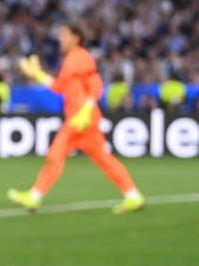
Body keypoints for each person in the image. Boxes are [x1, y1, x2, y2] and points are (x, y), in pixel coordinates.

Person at [8, 25, 146, 214]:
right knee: (103, 158)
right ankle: (133, 195)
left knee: (56, 154)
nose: (60, 39)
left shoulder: (80, 57)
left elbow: (95, 84)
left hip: (81, 118)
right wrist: (38, 74)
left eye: (64, 35)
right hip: (82, 118)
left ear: (76, 37)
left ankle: (35, 196)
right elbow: (59, 87)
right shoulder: (71, 60)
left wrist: (87, 109)